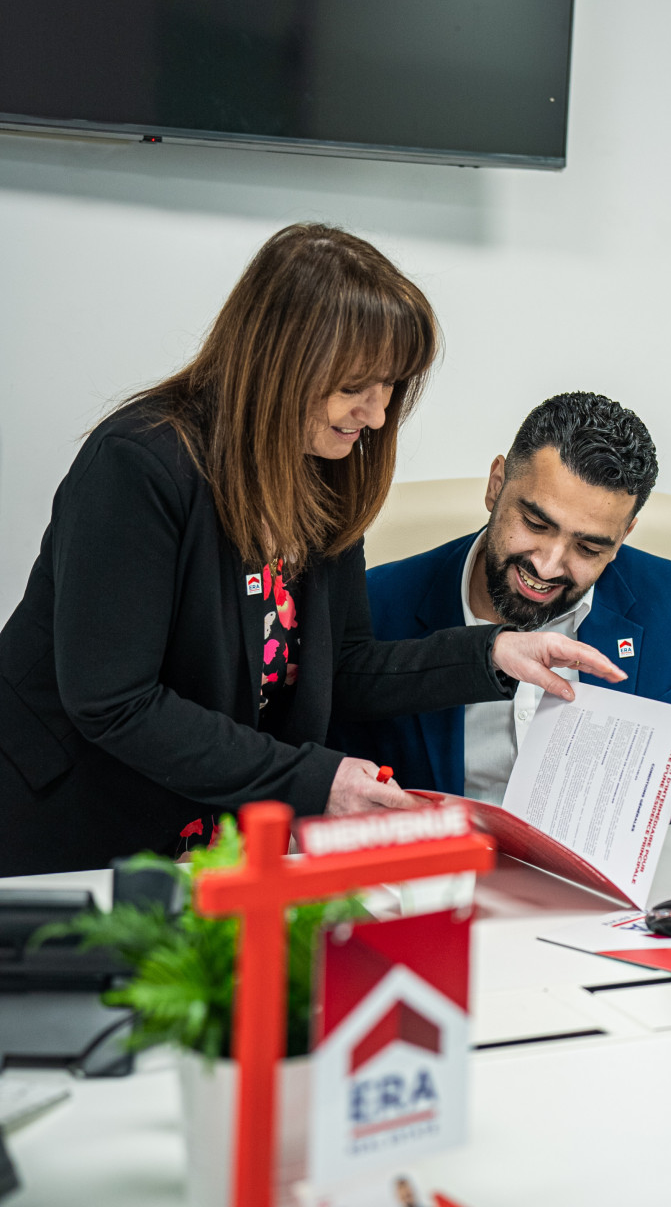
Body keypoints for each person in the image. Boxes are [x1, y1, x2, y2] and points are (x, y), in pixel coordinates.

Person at [0, 231, 622, 876]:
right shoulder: (139, 464)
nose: (377, 415)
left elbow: (344, 666)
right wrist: (315, 778)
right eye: (356, 385)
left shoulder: (322, 466)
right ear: (278, 362)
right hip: (72, 824)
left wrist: (490, 653)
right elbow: (114, 702)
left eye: (391, 386)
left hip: (204, 835)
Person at [332, 392, 671, 903]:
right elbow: (308, 774)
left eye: (589, 546)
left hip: (620, 920)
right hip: (441, 910)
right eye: (535, 523)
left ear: (624, 535)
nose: (550, 565)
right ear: (496, 486)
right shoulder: (378, 604)